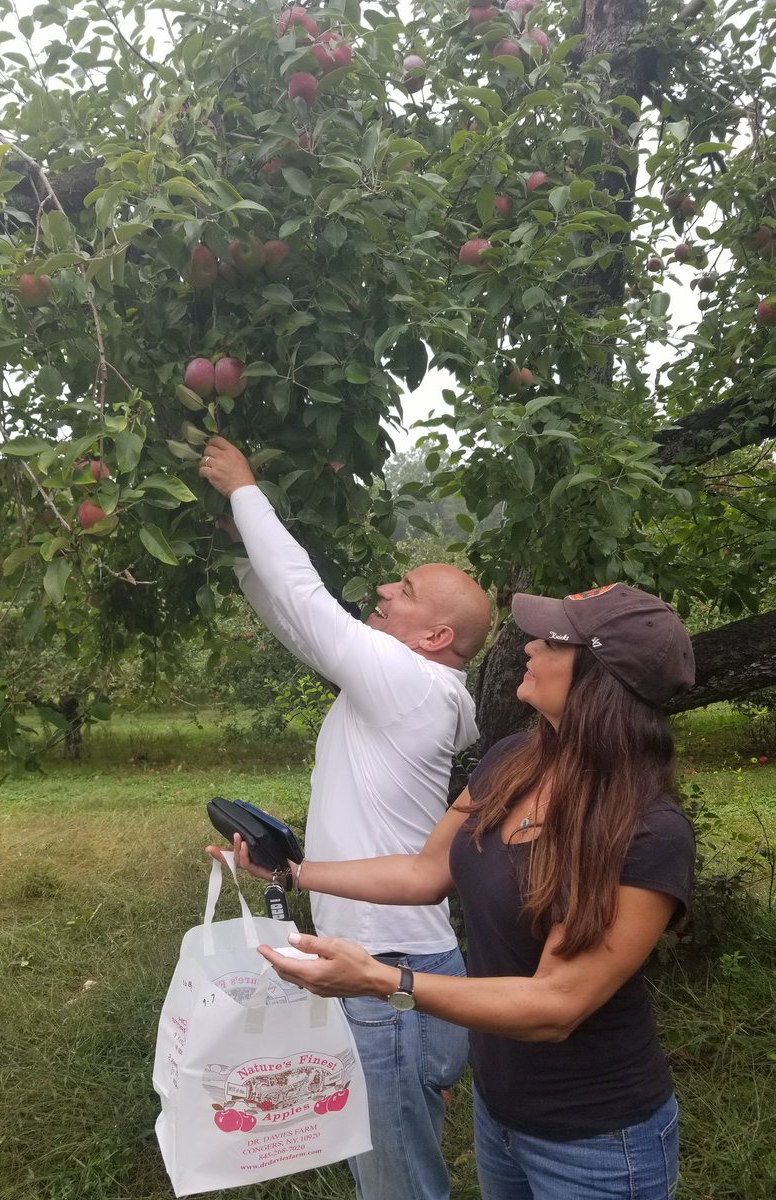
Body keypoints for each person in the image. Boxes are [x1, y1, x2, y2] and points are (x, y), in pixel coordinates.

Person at [213, 582, 696, 1200]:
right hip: (501, 1115)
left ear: (601, 678)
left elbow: (556, 1005)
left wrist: (383, 980)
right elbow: (426, 872)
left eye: (552, 641)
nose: (529, 647)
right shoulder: (515, 760)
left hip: (598, 1141)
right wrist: (296, 872)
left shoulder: (648, 831)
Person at [198, 436, 493, 1200]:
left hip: (388, 977)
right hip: (398, 968)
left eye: (406, 588)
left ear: (435, 638)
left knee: (397, 1187)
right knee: (397, 1167)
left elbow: (310, 605)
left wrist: (244, 489)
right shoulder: (405, 689)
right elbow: (304, 630)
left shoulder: (413, 686)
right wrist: (244, 557)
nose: (387, 588)